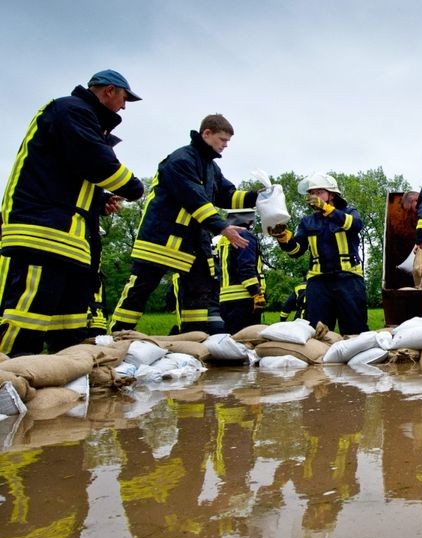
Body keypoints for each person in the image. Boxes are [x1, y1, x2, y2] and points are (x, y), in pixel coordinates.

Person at [0, 69, 145, 355]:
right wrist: (134, 187)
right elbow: (97, 162)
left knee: (69, 327)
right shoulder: (71, 110)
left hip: (68, 240)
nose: (124, 107)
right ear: (108, 91)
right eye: (124, 98)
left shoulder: (82, 118)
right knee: (26, 319)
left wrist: (99, 200)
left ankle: (61, 388)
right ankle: (8, 377)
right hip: (42, 233)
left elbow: (68, 177)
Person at [110, 113, 257, 334]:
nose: (226, 146)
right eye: (223, 140)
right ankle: (117, 336)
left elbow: (227, 195)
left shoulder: (210, 167)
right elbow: (194, 198)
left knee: (198, 294)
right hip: (161, 238)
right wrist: (222, 227)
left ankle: (192, 341)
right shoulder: (181, 160)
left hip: (192, 243)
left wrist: (259, 197)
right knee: (141, 289)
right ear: (206, 133)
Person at [266, 173, 368, 334]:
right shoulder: (307, 222)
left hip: (348, 280)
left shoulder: (349, 212)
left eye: (319, 192)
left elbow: (355, 225)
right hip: (318, 283)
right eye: (312, 193)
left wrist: (327, 209)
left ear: (332, 194)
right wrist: (284, 237)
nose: (314, 196)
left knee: (354, 329)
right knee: (316, 331)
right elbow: (296, 251)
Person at [215, 209, 265, 333]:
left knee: (232, 341)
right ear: (249, 219)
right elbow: (246, 268)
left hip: (226, 300)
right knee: (247, 340)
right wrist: (256, 293)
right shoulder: (245, 235)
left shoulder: (223, 239)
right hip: (244, 298)